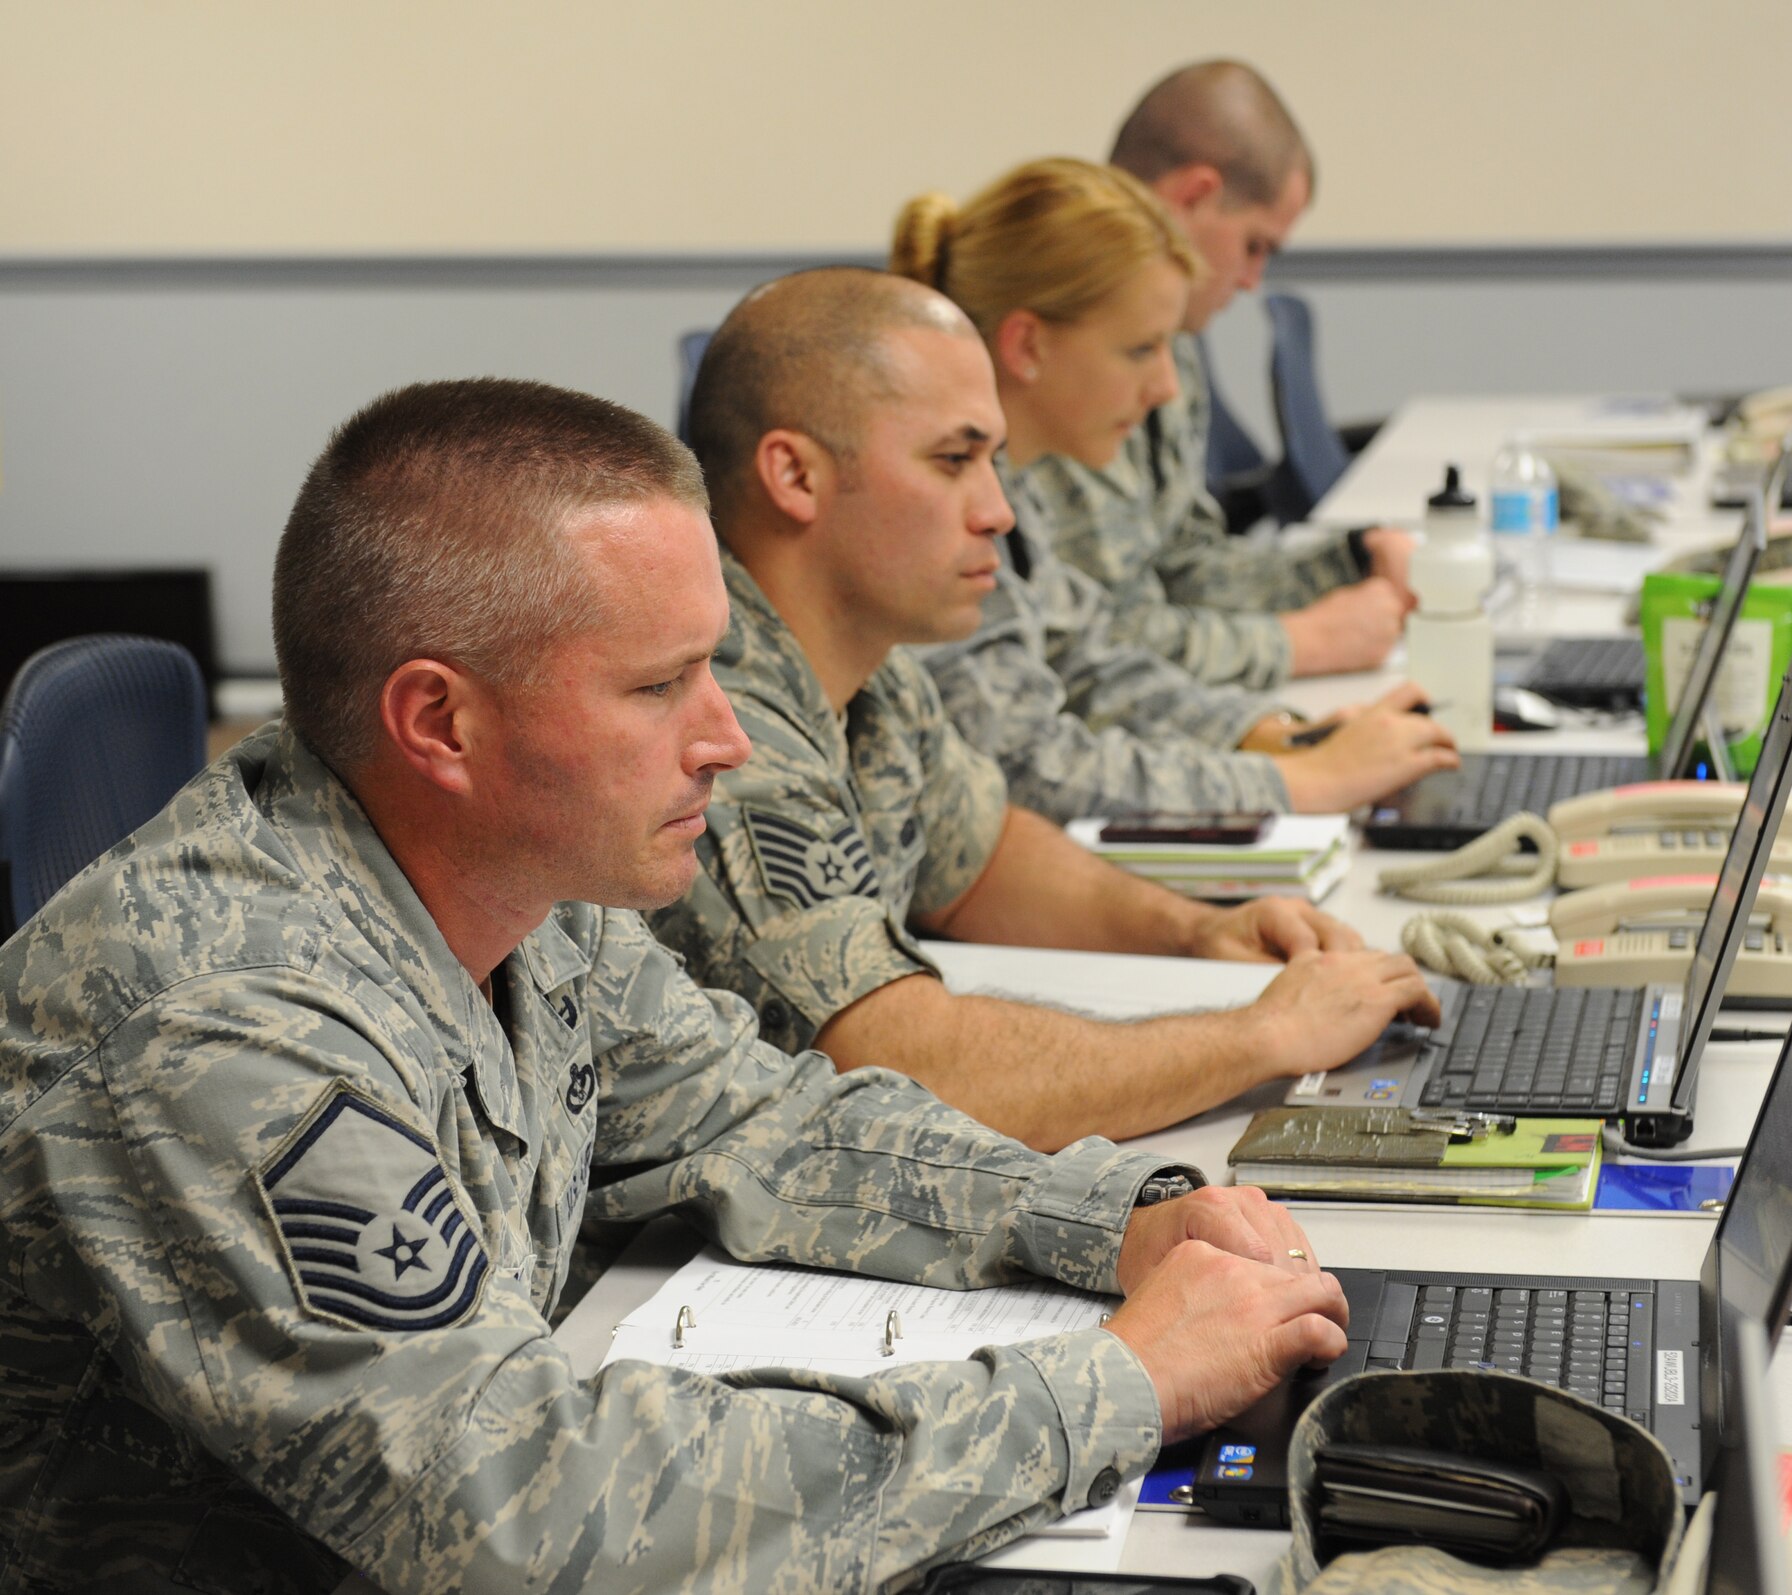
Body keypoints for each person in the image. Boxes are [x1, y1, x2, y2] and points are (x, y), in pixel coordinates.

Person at [0, 378, 1357, 1592]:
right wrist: (1119, 1381)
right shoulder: (223, 1024)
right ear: (439, 723)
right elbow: (525, 1510)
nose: (723, 737)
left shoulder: (516, 882)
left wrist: (1120, 1220)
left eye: (716, 664)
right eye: (659, 684)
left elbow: (761, 1121)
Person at [663, 267, 1440, 1153]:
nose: (997, 512)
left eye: (993, 462)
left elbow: (983, 856)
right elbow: (903, 1067)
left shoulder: (866, 664)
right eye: (953, 461)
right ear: (794, 474)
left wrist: (1197, 932)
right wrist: (1263, 1035)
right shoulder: (721, 719)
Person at [890, 156, 1455, 822]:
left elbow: (1090, 665)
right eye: (1140, 350)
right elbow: (1021, 761)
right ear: (1028, 345)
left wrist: (1289, 737)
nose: (1167, 388)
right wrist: (1295, 785)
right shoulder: (924, 505)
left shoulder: (1006, 480)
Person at [1027, 60, 1420, 689]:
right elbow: (1088, 645)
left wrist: (1352, 560)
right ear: (1194, 196)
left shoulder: (1169, 338)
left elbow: (1184, 567)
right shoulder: (1060, 347)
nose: (1250, 281)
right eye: (1255, 245)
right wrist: (1298, 643)